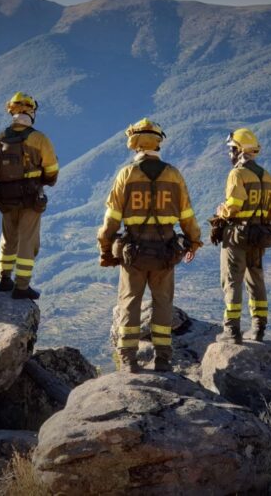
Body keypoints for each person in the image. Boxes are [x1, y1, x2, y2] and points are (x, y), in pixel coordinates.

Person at [97, 118, 202, 373]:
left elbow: (110, 221)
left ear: (133, 144)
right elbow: (187, 217)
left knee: (130, 302)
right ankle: (163, 359)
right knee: (163, 303)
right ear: (157, 142)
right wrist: (193, 242)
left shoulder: (126, 175)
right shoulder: (174, 175)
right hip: (165, 252)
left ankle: (129, 360)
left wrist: (105, 249)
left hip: (133, 253)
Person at [215, 128, 271, 343]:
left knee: (232, 281)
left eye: (231, 149)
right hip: (258, 234)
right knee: (256, 279)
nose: (229, 154)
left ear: (239, 150)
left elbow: (235, 204)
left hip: (237, 235)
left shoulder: (237, 174)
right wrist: (265, 218)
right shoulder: (265, 174)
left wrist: (222, 211)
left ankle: (231, 330)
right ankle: (258, 328)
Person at [0, 92, 59, 300]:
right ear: (31, 112)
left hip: (6, 197)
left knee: (8, 238)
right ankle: (21, 286)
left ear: (12, 111)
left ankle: (3, 279)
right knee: (27, 241)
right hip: (31, 198)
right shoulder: (39, 138)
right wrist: (44, 181)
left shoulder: (1, 137)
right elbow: (52, 168)